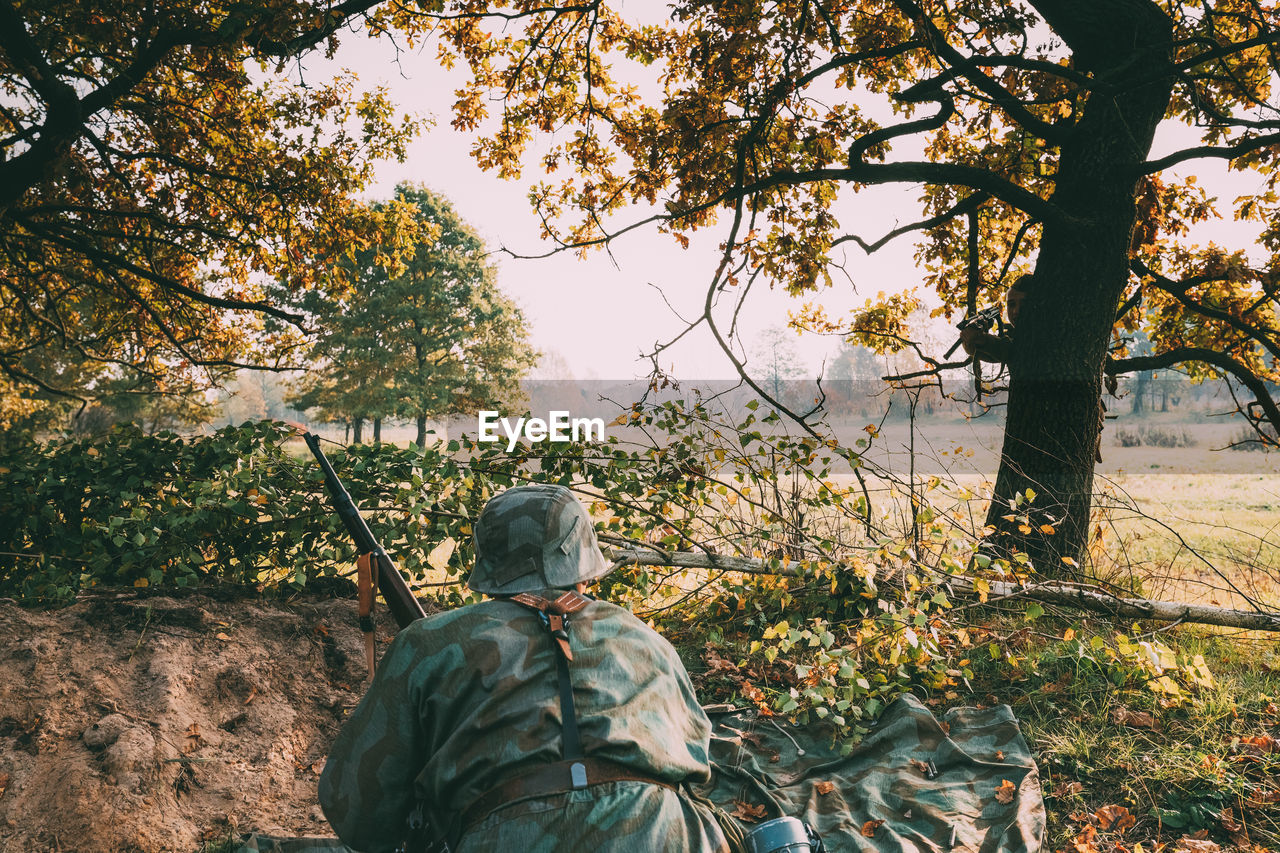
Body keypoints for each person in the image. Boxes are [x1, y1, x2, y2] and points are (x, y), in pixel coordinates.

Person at [318, 483, 735, 853]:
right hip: (666, 834)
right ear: (584, 565)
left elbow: (359, 815)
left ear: (487, 564)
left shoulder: (428, 643)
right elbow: (697, 765)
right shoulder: (647, 640)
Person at [959, 273, 1107, 463]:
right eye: (1011, 304)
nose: (1017, 311)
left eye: (1024, 303)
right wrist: (971, 341)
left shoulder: (1054, 331)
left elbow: (1014, 351)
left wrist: (981, 340)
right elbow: (995, 351)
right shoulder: (1015, 334)